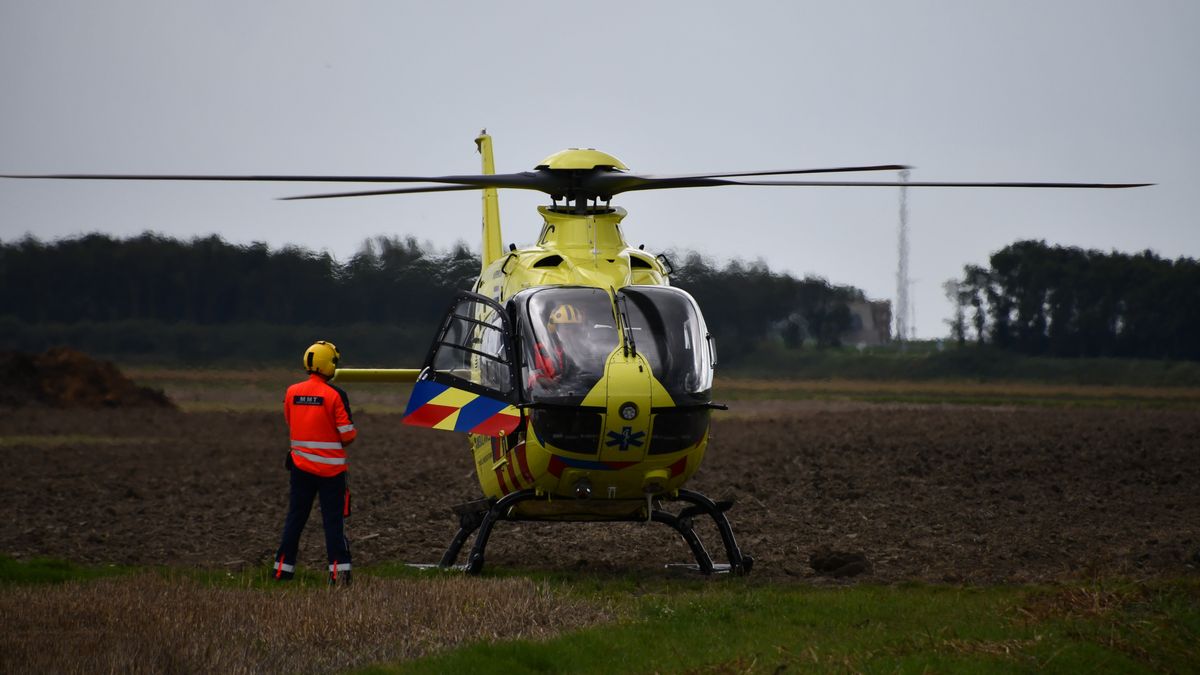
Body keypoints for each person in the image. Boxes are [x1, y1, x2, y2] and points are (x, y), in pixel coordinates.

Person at [273, 340, 357, 585]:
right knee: (333, 523)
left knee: (295, 519)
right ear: (328, 364)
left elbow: (291, 422)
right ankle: (339, 574)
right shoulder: (335, 395)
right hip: (331, 472)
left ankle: (282, 570)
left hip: (299, 468)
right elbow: (348, 435)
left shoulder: (292, 392)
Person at [528, 303, 583, 388]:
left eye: (574, 328)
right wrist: (550, 382)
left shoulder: (586, 348)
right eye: (566, 327)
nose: (571, 332)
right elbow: (532, 378)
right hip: (554, 396)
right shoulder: (542, 349)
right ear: (556, 329)